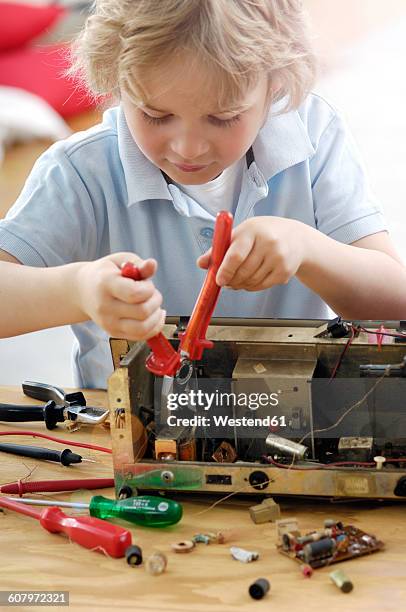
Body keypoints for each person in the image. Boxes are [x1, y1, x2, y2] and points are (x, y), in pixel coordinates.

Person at [0, 0, 405, 389]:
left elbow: (395, 303)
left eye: (223, 117)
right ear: (115, 80)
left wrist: (309, 249)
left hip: (302, 432)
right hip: (129, 443)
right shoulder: (81, 171)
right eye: (156, 115)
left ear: (276, 84)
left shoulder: (314, 137)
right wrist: (78, 289)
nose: (188, 148)